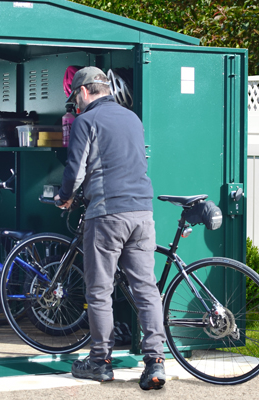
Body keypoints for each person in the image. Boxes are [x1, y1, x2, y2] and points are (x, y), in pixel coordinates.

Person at [54, 66, 167, 390]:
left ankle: (101, 361)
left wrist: (64, 197)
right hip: (142, 213)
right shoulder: (132, 118)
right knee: (146, 289)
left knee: (99, 291)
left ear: (85, 92)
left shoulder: (86, 121)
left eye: (75, 96)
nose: (75, 102)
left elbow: (75, 171)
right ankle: (155, 363)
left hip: (107, 215)